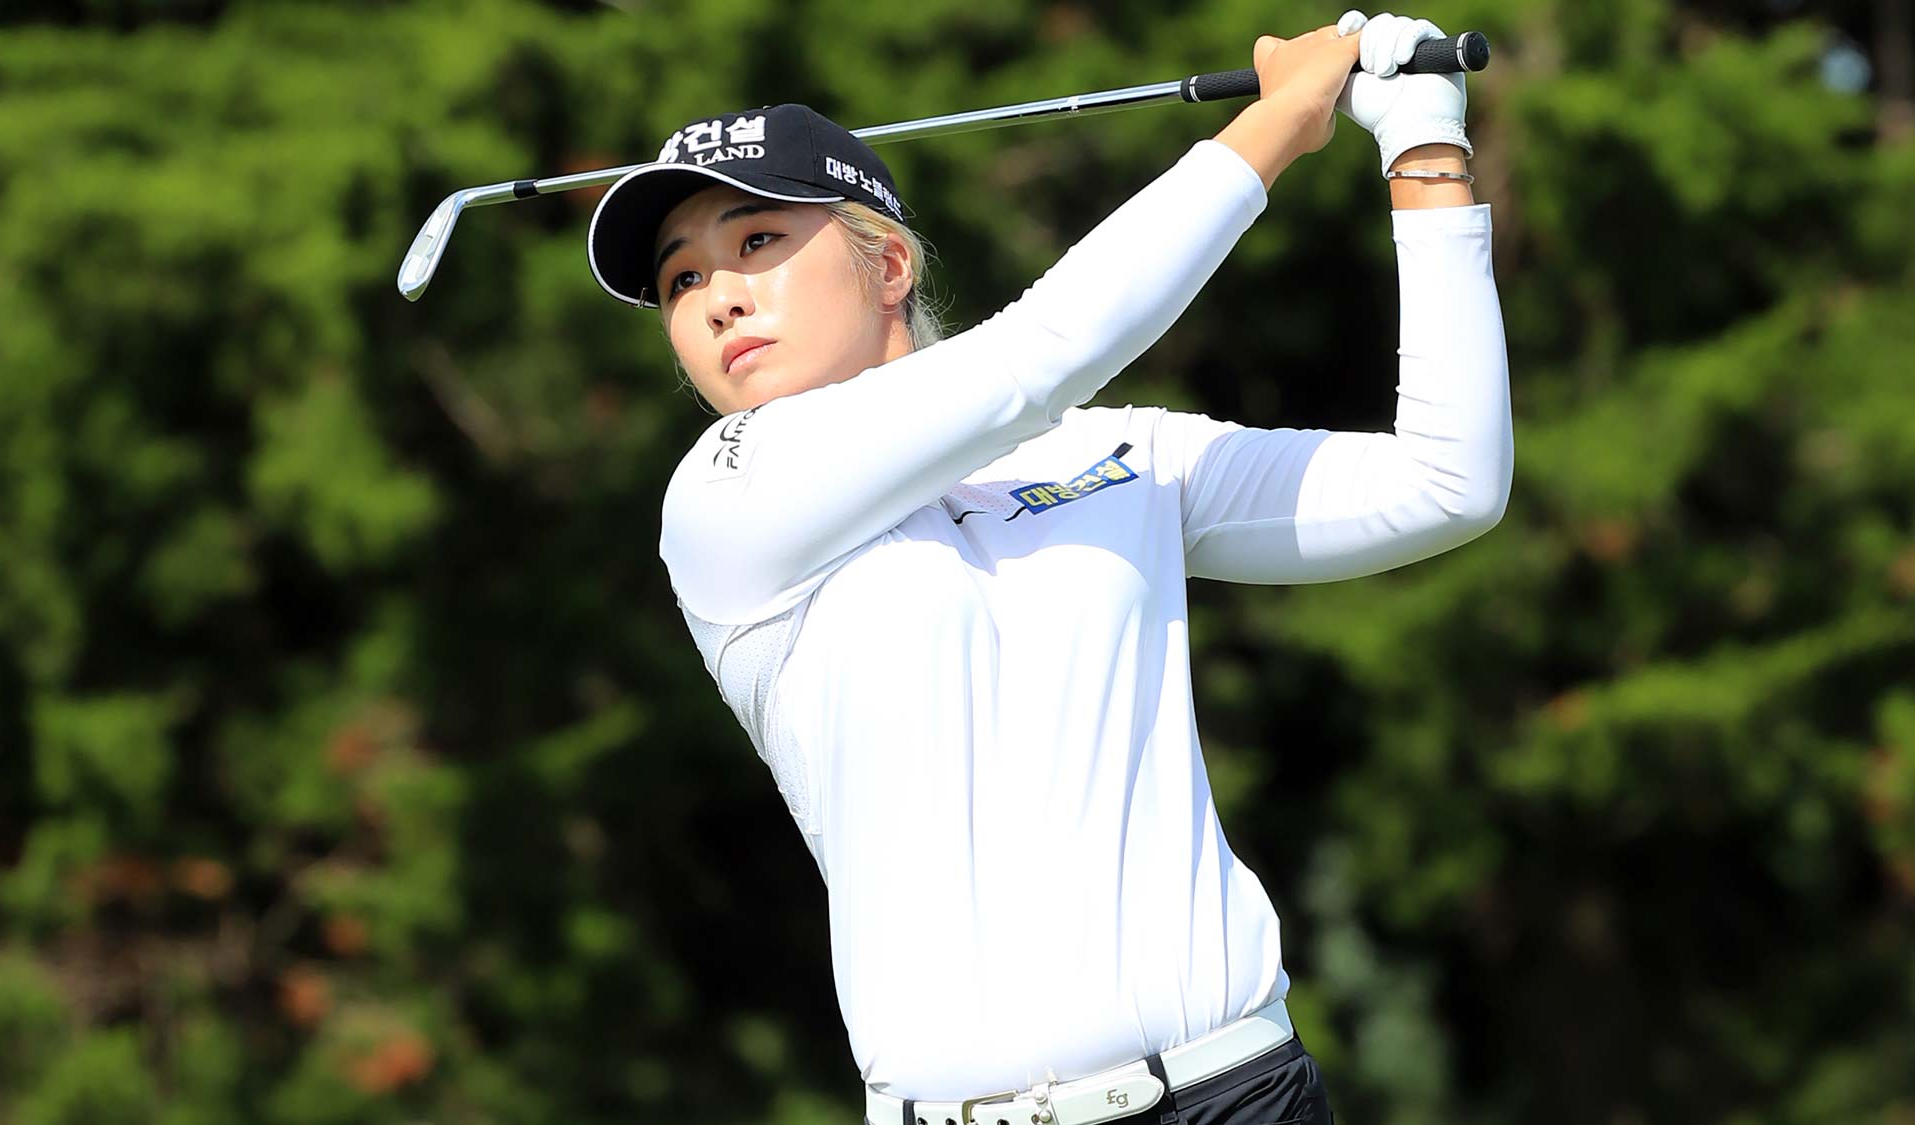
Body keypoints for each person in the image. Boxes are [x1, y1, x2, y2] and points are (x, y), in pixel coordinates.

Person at [585, 10, 1509, 1124]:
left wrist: (1420, 144)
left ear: (887, 262)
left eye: (755, 244)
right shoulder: (728, 500)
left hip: (1238, 1092)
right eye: (680, 281)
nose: (717, 295)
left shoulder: (1113, 450)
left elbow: (1444, 484)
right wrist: (1279, 122)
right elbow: (1037, 357)